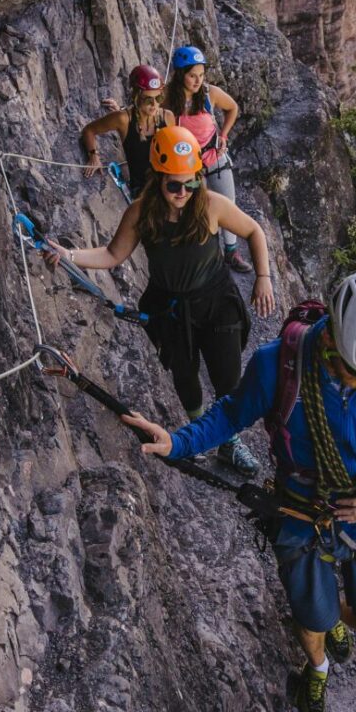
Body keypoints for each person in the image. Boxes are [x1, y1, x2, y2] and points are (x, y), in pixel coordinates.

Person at [121, 267, 356, 712]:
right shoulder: (279, 366)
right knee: (314, 621)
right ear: (332, 341)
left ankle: (332, 618)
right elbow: (230, 415)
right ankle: (318, 663)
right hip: (302, 510)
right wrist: (176, 442)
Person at [45, 125, 276, 473]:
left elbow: (253, 230)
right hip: (170, 307)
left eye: (191, 182)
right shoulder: (141, 212)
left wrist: (263, 278)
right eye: (173, 184)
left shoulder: (211, 205)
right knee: (185, 376)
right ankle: (202, 435)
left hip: (216, 301)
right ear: (158, 177)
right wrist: (69, 256)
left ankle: (227, 440)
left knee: (228, 378)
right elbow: (112, 254)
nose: (183, 191)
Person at [165, 45, 249, 273]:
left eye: (201, 75)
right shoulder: (168, 100)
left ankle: (231, 251)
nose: (197, 80)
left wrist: (223, 135)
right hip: (190, 167)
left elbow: (232, 108)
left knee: (228, 205)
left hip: (215, 159)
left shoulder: (209, 94)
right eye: (192, 75)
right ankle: (210, 257)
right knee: (199, 212)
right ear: (181, 74)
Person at [80, 64, 173, 197]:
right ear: (137, 96)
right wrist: (93, 155)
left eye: (158, 98)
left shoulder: (167, 117)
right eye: (148, 99)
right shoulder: (123, 119)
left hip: (168, 185)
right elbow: (89, 130)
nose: (154, 105)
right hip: (143, 191)